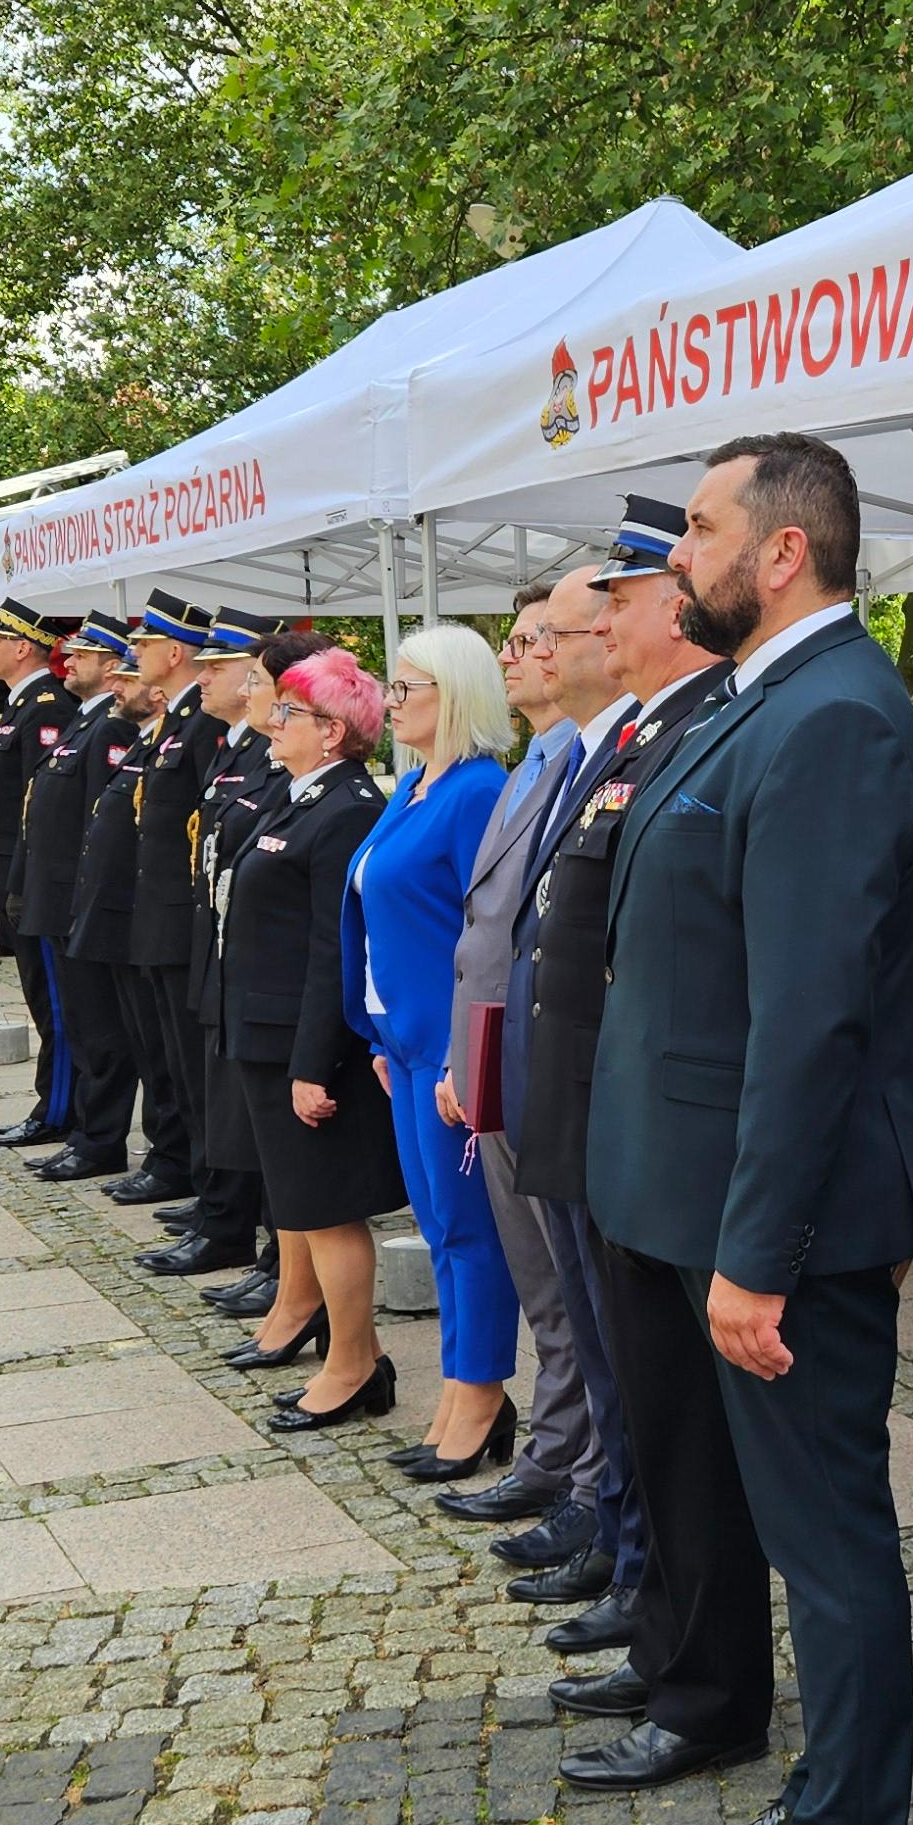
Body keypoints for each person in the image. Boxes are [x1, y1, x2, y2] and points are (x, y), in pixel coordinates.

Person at [572, 433, 913, 1825]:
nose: (680, 553)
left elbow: (810, 1019)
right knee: (798, 1543)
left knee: (833, 1554)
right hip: (713, 1197)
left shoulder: (837, 714)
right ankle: (826, 1803)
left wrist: (758, 1255)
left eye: (703, 527)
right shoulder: (763, 698)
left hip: (791, 1221)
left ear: (784, 551)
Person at [520, 498, 733, 1675]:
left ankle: (647, 1571)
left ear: (675, 607)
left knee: (655, 1386)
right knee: (617, 1366)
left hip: (630, 1106)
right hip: (582, 1094)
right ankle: (628, 1552)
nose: (596, 626)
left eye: (617, 600)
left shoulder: (699, 728)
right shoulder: (630, 735)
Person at [440, 575, 630, 1616]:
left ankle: (587, 1479)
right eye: (516, 641)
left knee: (578, 1288)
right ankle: (559, 1456)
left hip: (547, 1060)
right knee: (548, 1285)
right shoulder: (537, 766)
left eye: (537, 637)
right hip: (501, 1051)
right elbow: (490, 931)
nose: (521, 655)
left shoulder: (589, 760)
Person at [338, 625, 521, 1484]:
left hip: (448, 1050)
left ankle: (480, 1393)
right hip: (404, 1044)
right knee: (440, 1226)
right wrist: (381, 1033)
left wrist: (458, 1055)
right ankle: (459, 1386)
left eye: (408, 688)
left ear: (458, 696)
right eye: (393, 686)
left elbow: (490, 934)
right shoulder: (416, 786)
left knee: (468, 1227)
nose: (393, 701)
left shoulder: (477, 791)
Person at [225, 636, 410, 1432]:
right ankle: (353, 1354)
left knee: (330, 1211)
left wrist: (312, 1064)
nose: (273, 722)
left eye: (289, 713)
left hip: (306, 1046)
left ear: (332, 731)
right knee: (303, 1205)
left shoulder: (345, 810)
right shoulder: (301, 795)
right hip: (266, 1031)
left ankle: (352, 1365)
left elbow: (333, 950)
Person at [158, 607, 281, 1285]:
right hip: (215, 947)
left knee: (249, 1115)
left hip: (249, 962)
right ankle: (223, 1214)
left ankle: (249, 1233)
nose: (203, 677)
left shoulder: (268, 752)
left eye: (222, 666)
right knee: (217, 1100)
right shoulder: (232, 746)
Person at [112, 595, 218, 1214]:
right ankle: (191, 1175)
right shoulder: (174, 723)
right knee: (171, 1061)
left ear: (175, 652)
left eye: (145, 644)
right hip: (156, 918)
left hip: (181, 921)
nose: (135, 653)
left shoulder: (200, 725)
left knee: (192, 1067)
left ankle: (209, 1188)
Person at [26, 619, 140, 1182]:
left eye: (83, 654)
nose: (68, 661)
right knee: (81, 1024)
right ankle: (86, 1134)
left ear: (113, 665)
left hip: (80, 903)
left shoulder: (110, 728)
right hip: (60, 901)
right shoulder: (84, 720)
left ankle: (99, 1140)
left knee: (100, 1031)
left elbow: (102, 822)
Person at [0, 601, 79, 1150]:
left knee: (55, 1004)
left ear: (22, 647)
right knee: (42, 999)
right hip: (18, 880)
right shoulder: (22, 707)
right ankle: (59, 1105)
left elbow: (43, 808)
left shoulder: (46, 709)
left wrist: (23, 881)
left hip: (34, 882)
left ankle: (58, 1110)